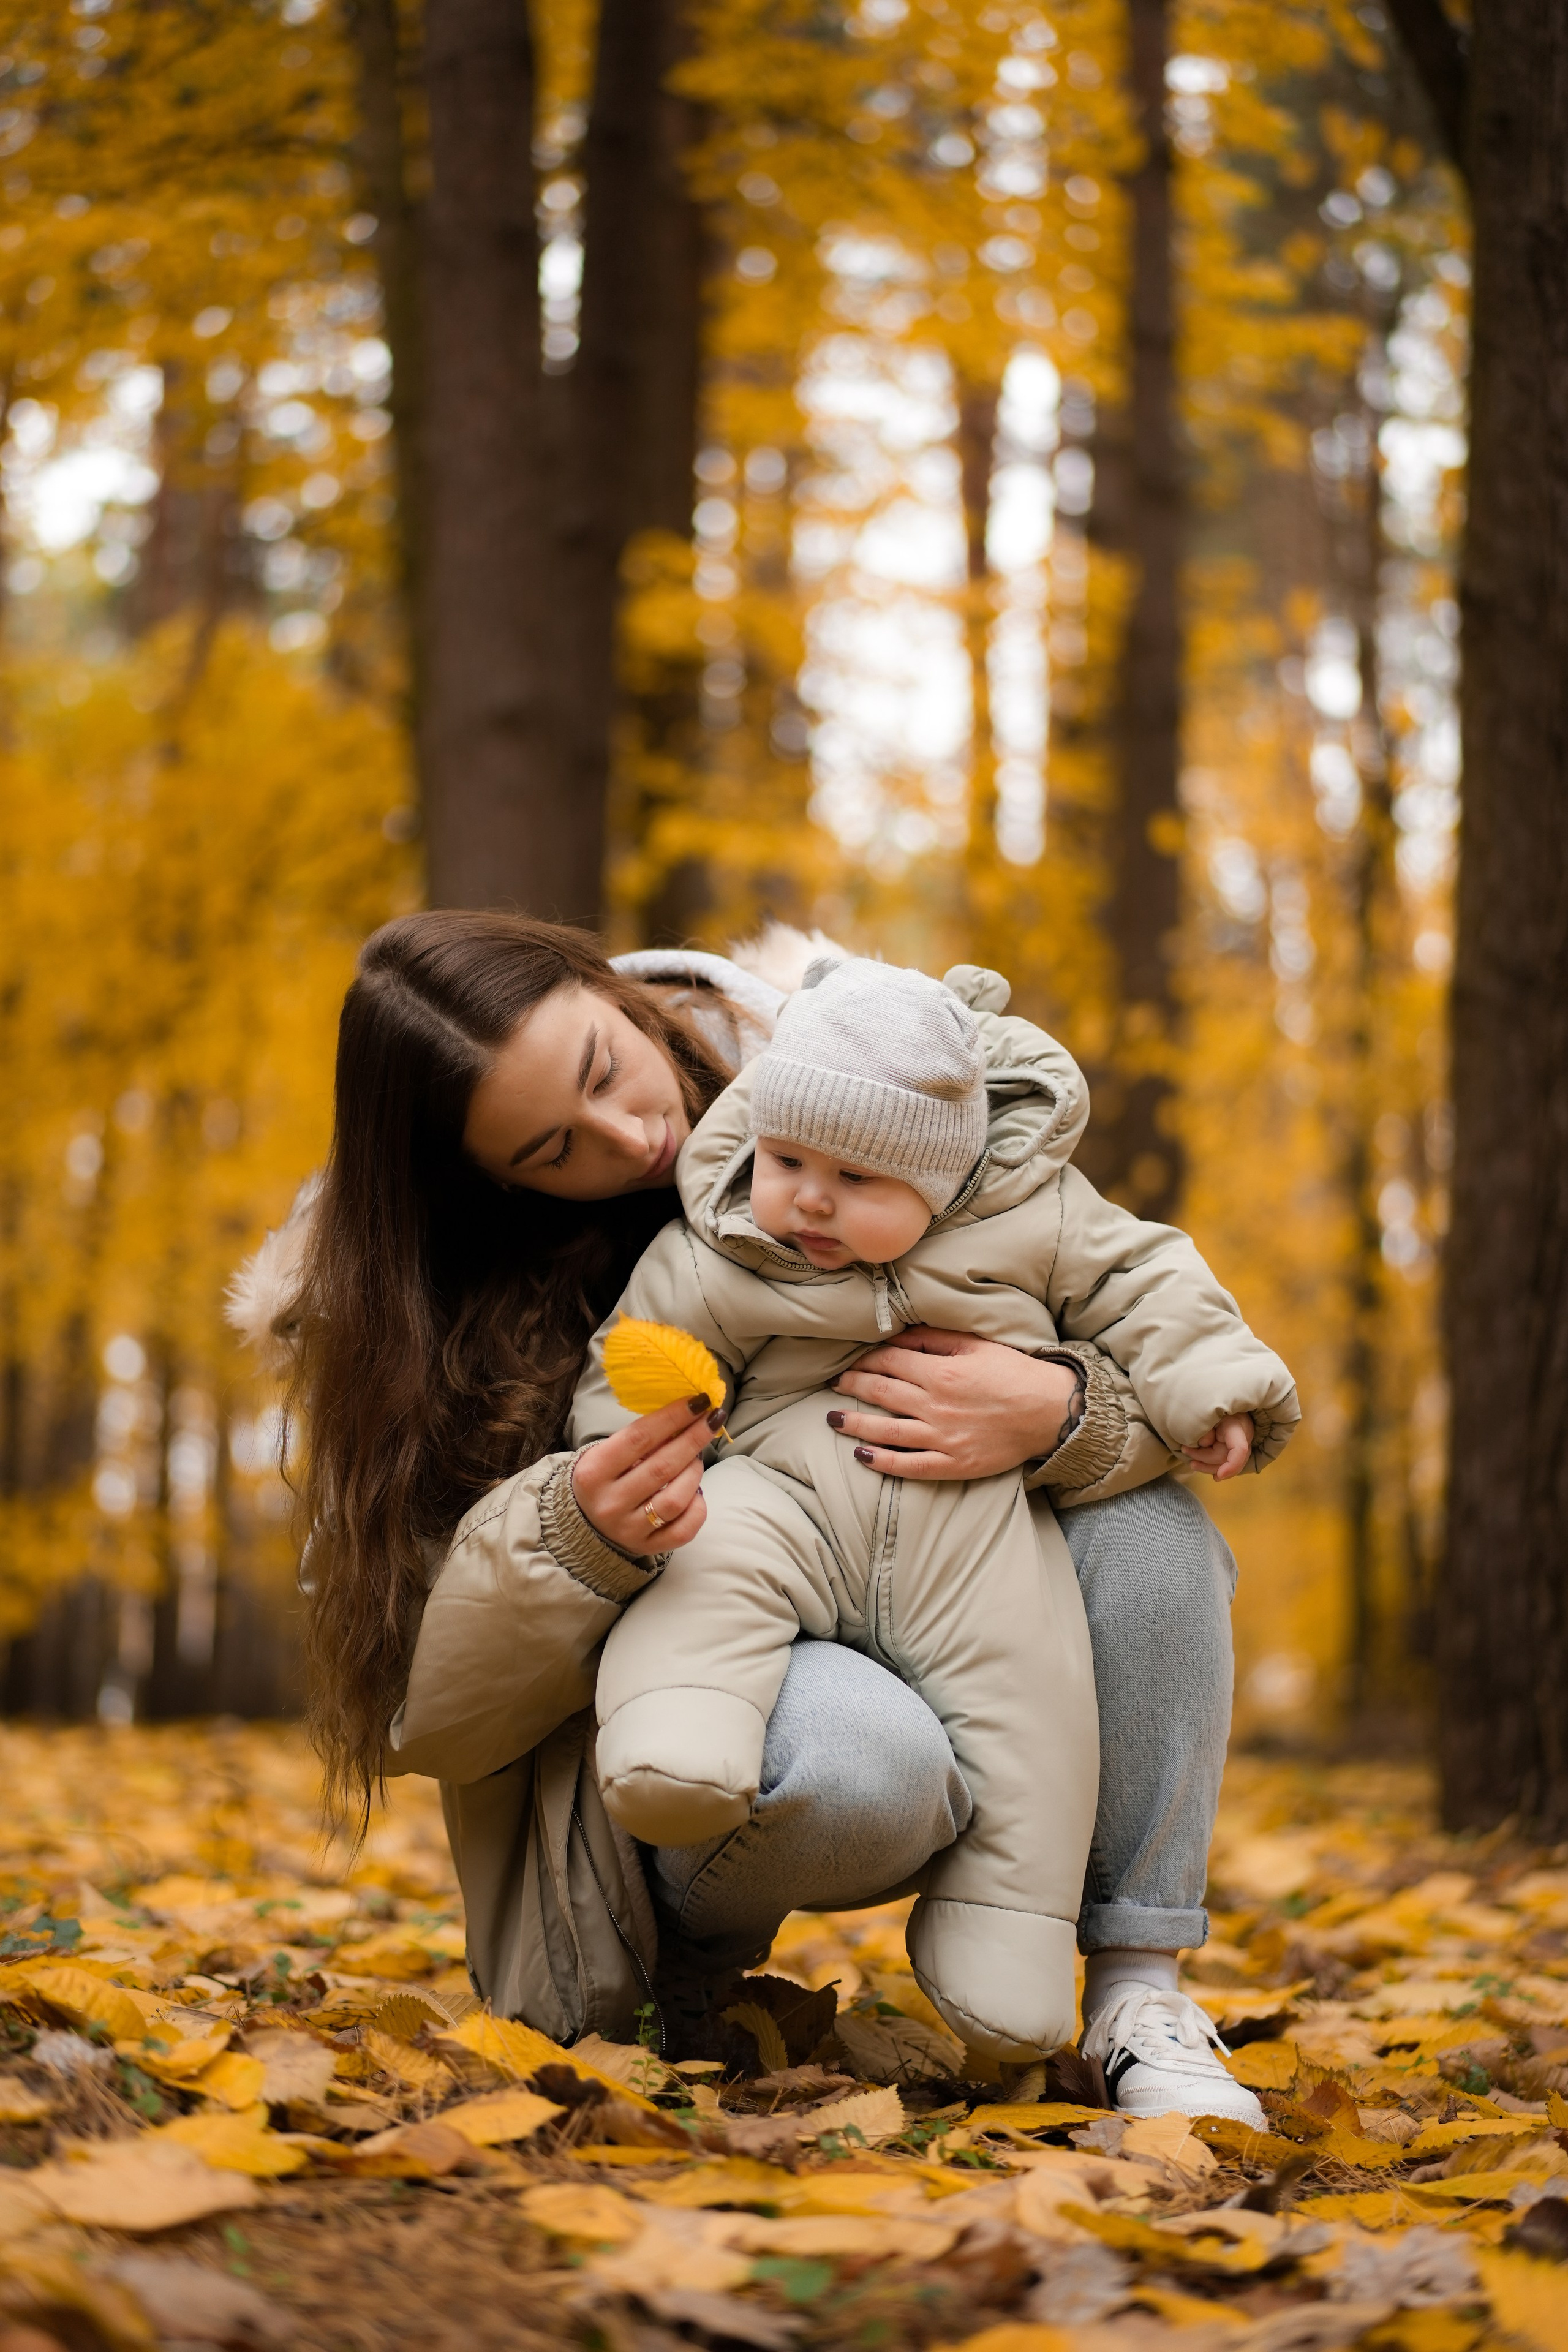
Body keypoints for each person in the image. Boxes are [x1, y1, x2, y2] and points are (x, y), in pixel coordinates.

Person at [231, 910, 1280, 2122]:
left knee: (1153, 1537)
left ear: (620, 993)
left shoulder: (875, 1081)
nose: (628, 1135)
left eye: (603, 1072)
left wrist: (1057, 1413)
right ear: (492, 1184)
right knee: (855, 1765)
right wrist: (574, 1541)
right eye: (550, 1148)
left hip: (966, 1568)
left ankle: (1135, 1998)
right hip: (720, 1654)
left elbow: (1131, 1297)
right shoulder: (429, 1322)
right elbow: (432, 1717)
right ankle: (681, 1965)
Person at [579, 953, 1297, 2067]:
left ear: (944, 1177)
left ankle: (1046, 1963)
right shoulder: (721, 1235)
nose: (809, 1200)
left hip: (977, 1536)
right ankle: (680, 1760)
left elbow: (1152, 1282)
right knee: (710, 1568)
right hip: (780, 1496)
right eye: (787, 1160)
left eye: (858, 1180)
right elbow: (630, 1351)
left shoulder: (1033, 1216)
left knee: (1031, 1700)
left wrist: (1210, 1393)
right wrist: (636, 1449)